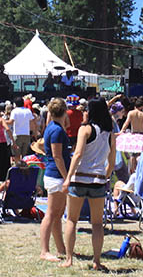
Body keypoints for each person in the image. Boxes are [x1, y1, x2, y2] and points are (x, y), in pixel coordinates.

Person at [61, 97, 116, 271]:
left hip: (79, 178)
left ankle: (69, 258)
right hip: (98, 180)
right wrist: (105, 176)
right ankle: (97, 261)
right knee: (97, 224)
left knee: (72, 220)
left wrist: (68, 177)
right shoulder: (109, 134)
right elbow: (112, 161)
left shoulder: (85, 129)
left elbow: (77, 154)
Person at [40, 98, 71, 262]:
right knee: (51, 214)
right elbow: (57, 156)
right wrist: (67, 177)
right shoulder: (57, 130)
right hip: (56, 175)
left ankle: (61, 248)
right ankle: (44, 250)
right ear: (64, 112)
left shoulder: (52, 128)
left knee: (57, 214)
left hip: (55, 174)